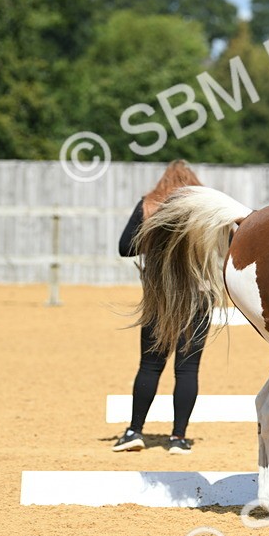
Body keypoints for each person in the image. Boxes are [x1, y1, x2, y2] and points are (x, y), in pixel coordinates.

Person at [112, 160, 209, 454]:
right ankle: (178, 438)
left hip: (160, 297)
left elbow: (125, 248)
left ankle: (134, 431)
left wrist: (156, 242)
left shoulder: (149, 204)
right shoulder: (205, 208)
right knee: (187, 369)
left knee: (150, 366)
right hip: (198, 296)